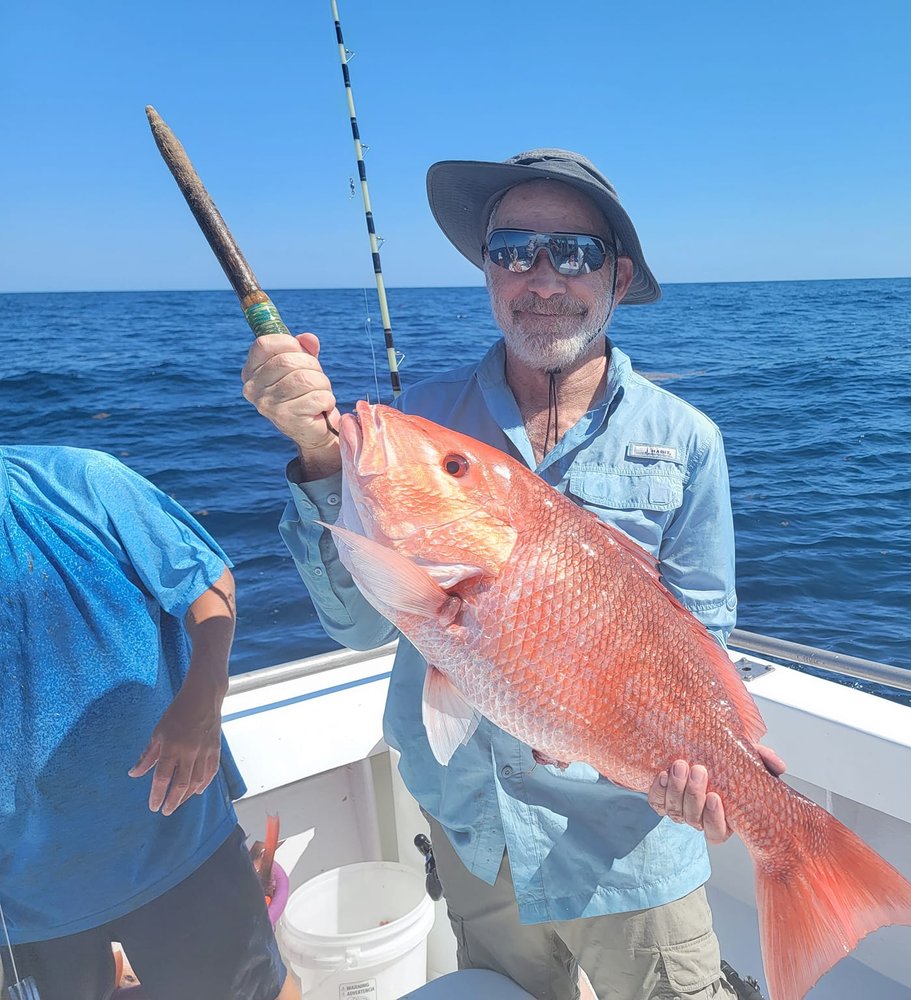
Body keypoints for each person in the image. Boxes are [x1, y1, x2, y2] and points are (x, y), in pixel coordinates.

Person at [241, 148, 782, 1000]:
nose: (540, 277)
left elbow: (701, 635)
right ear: (486, 270)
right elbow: (357, 629)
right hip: (474, 832)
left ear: (618, 275)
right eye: (512, 249)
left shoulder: (686, 440)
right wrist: (317, 455)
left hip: (630, 843)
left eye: (572, 253)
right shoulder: (413, 419)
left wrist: (709, 770)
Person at [0, 445, 297, 1000]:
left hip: (175, 839)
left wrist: (204, 699)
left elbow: (208, 588)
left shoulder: (82, 481)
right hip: (21, 901)